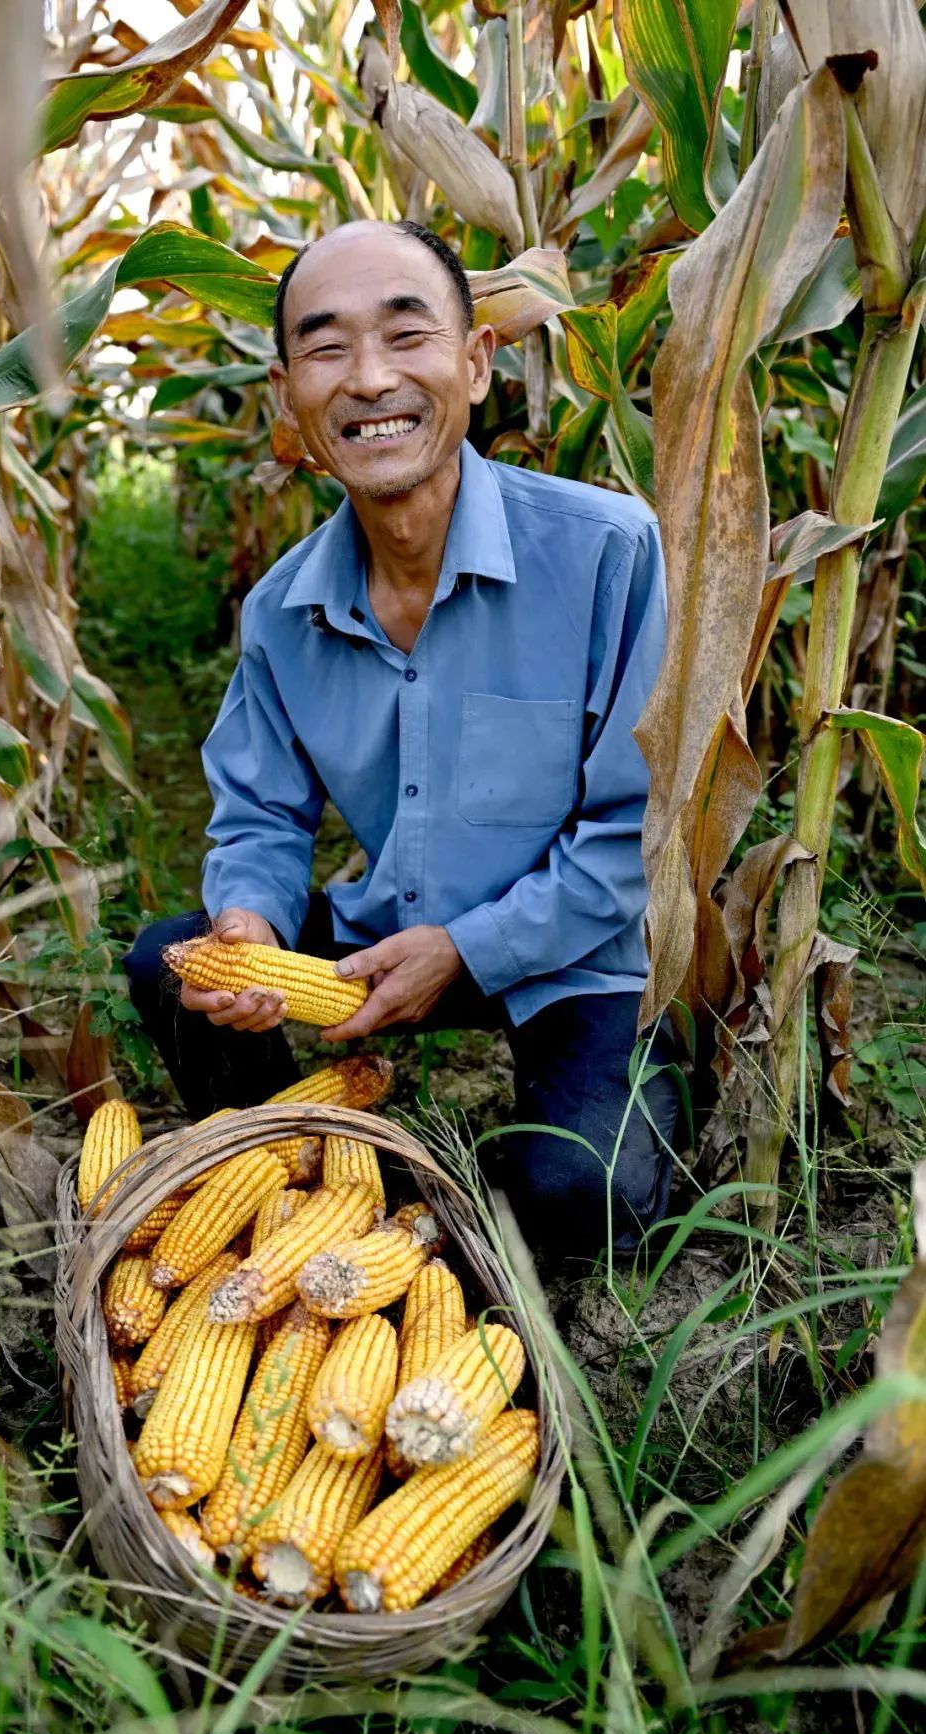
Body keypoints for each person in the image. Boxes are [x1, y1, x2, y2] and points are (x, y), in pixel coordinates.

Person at [124, 218, 678, 1261]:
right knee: (168, 962)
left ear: (473, 365)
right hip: (390, 938)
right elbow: (260, 815)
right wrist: (249, 924)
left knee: (576, 1197)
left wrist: (468, 949)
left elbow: (634, 836)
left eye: (406, 335)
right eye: (327, 350)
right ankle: (314, 1176)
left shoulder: (608, 555)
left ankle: (640, 1086)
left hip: (566, 952)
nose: (369, 378)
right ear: (290, 398)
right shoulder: (284, 610)